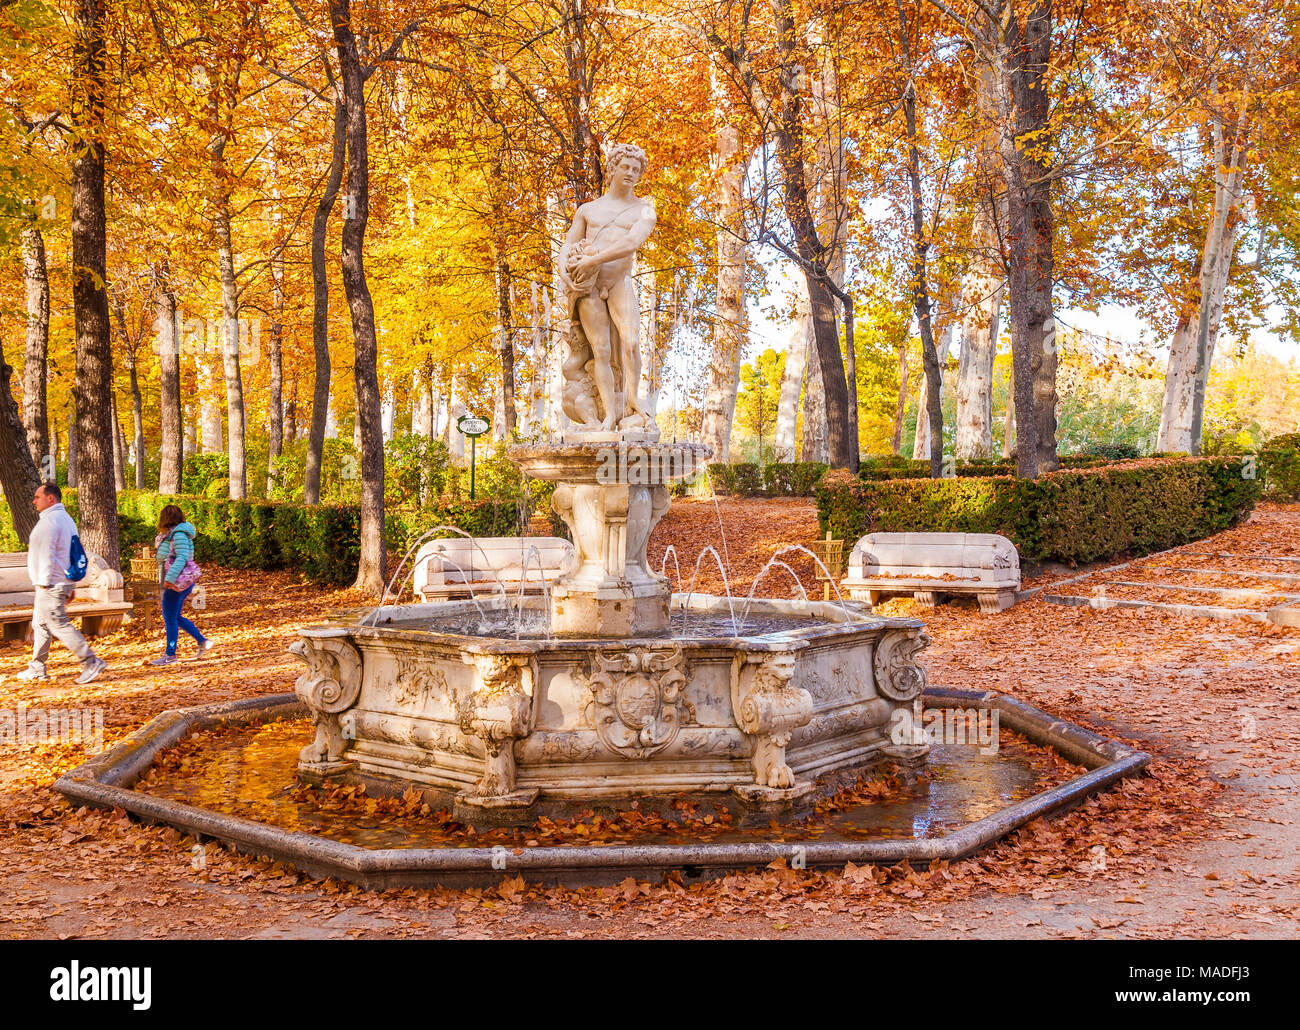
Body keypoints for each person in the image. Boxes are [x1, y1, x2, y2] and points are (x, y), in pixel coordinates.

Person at [557, 142, 657, 432]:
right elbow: (567, 245)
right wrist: (566, 269)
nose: (630, 173)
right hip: (588, 287)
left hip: (617, 282)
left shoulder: (644, 210)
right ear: (612, 168)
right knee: (600, 349)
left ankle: (633, 401)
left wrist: (593, 260)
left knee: (631, 341)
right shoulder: (588, 210)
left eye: (636, 170)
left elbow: (631, 243)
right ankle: (610, 416)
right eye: (625, 167)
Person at [16, 482, 107, 684]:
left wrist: (48, 583)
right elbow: (70, 554)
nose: (34, 501)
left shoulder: (51, 521)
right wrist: (70, 584)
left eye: (37, 497)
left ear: (51, 498)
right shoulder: (65, 519)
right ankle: (37, 668)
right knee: (40, 624)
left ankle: (91, 662)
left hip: (50, 583)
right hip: (55, 582)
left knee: (58, 624)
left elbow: (47, 555)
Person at [152, 505, 212, 666]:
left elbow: (182, 558)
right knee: (175, 616)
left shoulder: (178, 535)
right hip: (182, 581)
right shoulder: (173, 534)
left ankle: (170, 655)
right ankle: (202, 641)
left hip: (176, 582)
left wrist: (169, 579)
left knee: (170, 618)